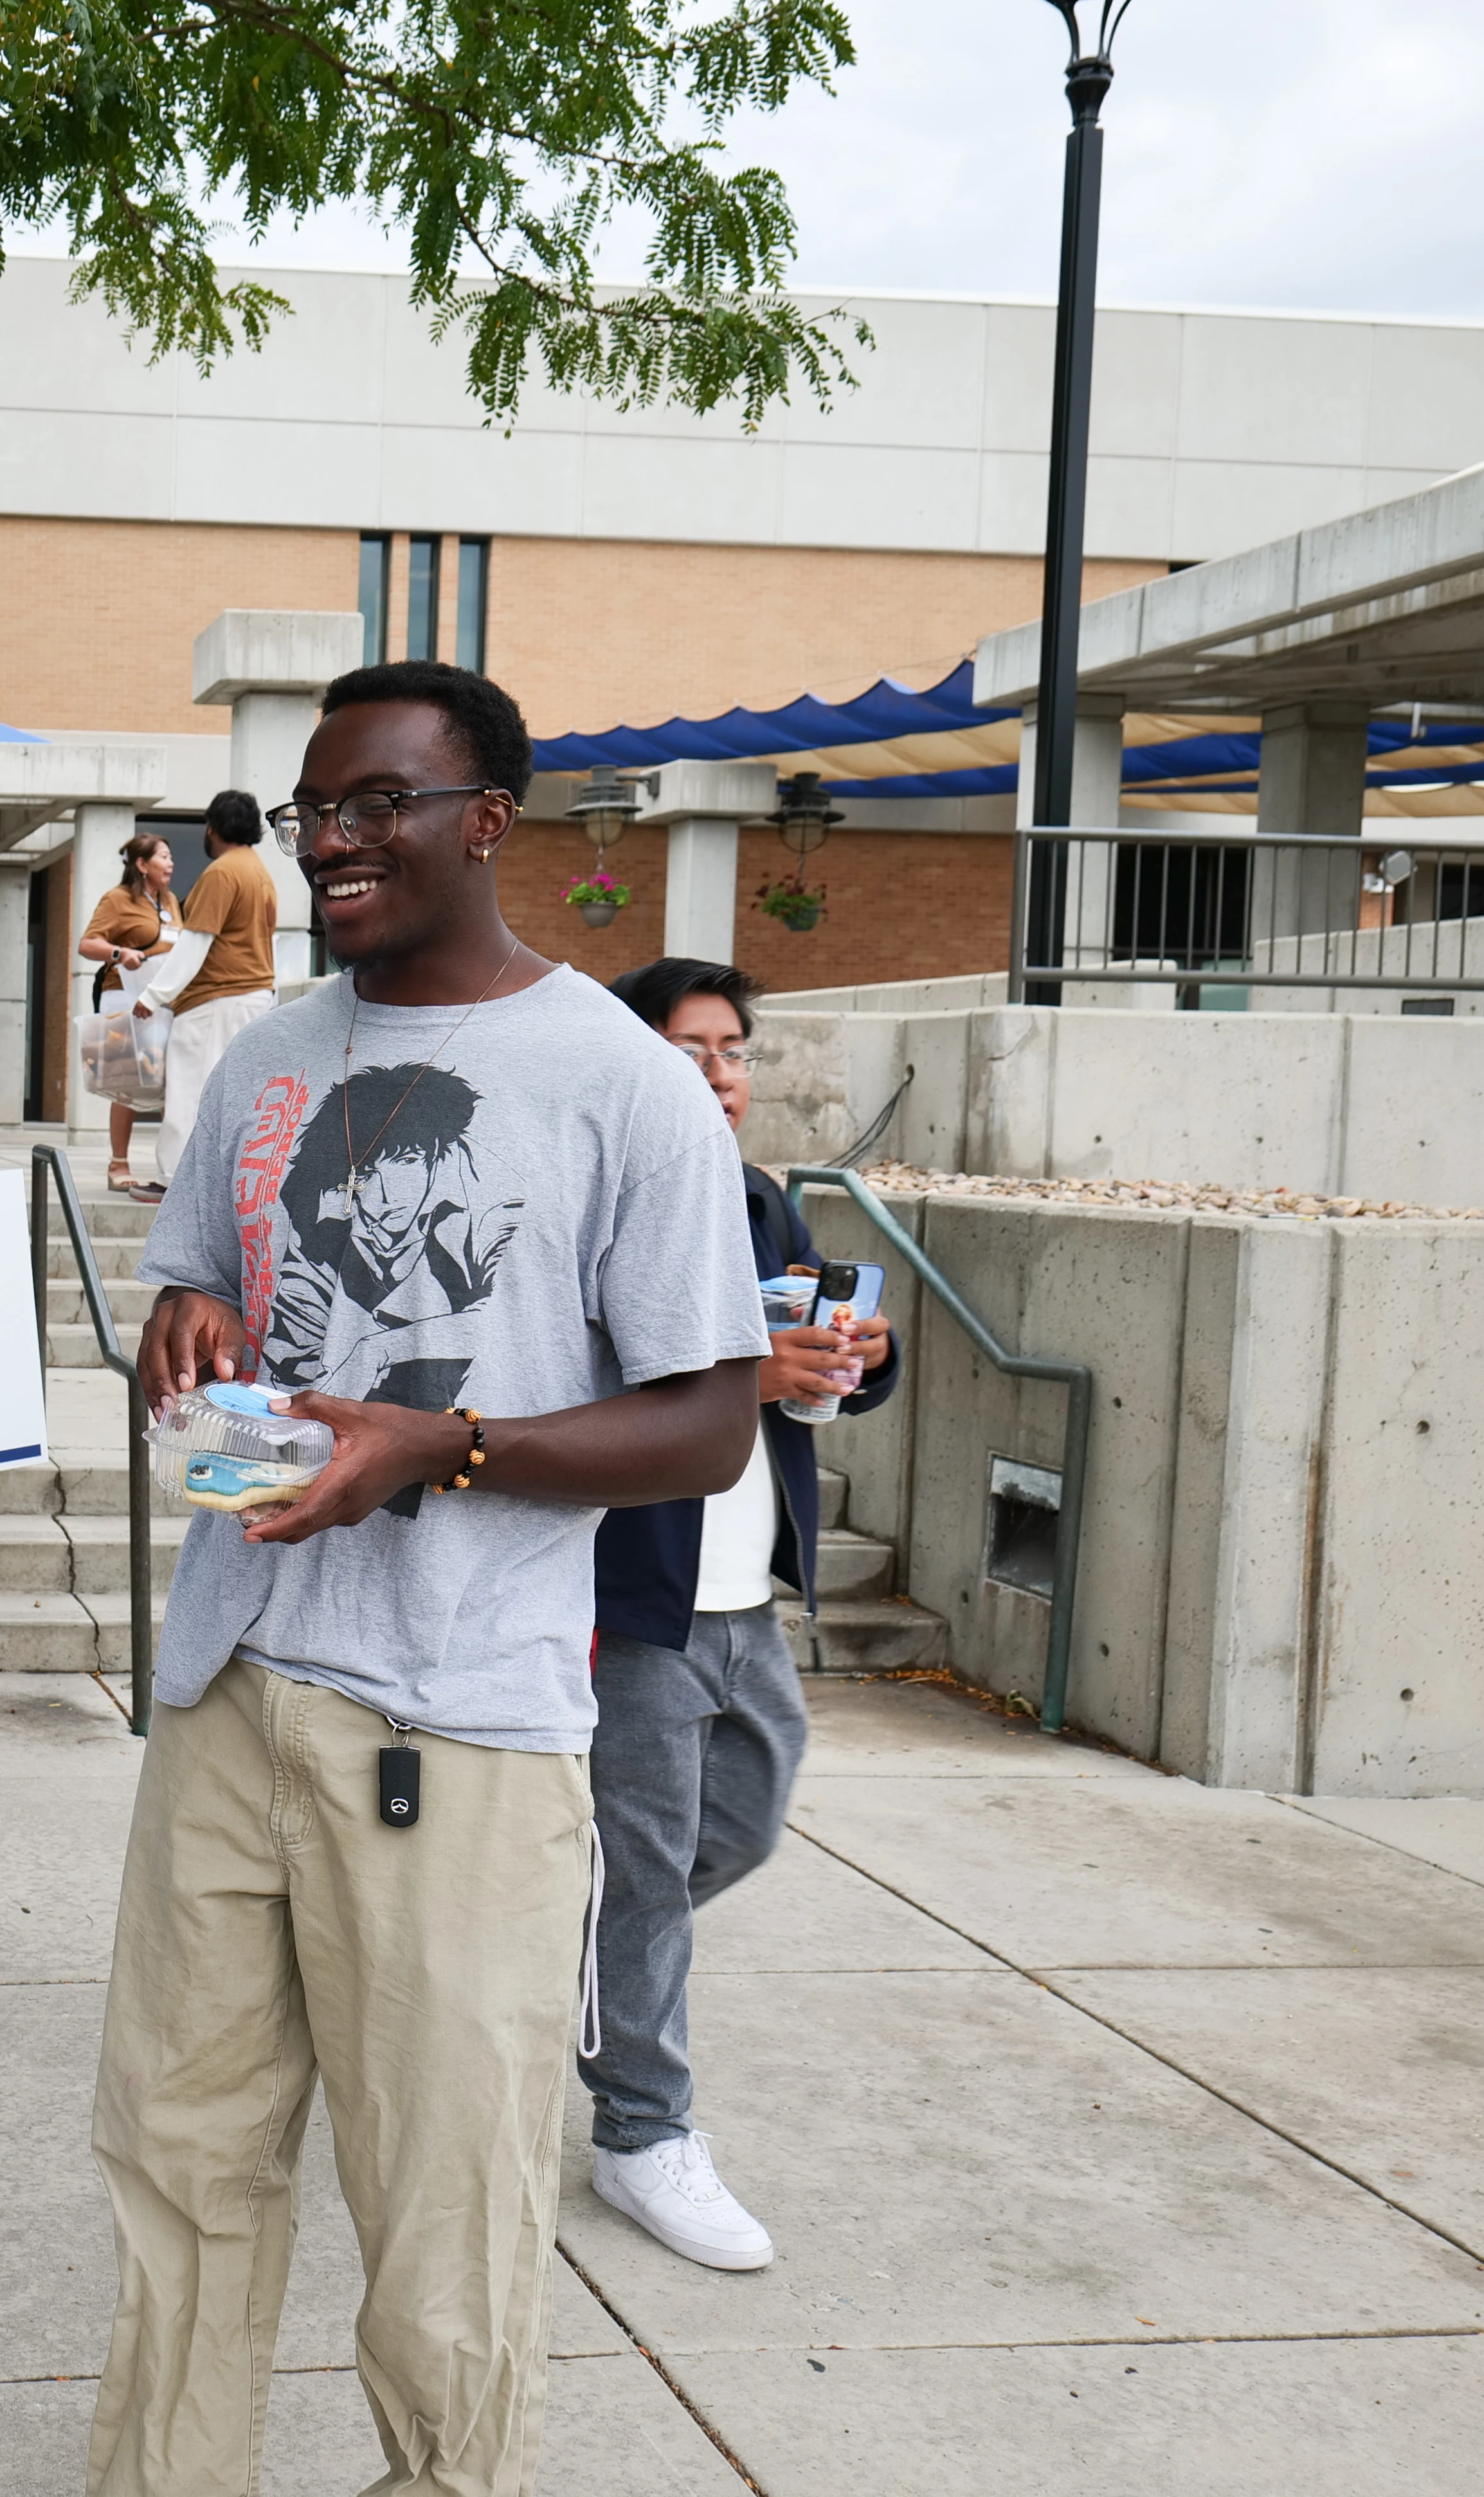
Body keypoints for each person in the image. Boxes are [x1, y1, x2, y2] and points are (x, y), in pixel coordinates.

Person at [93, 662, 765, 2497]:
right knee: (179, 2163)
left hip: (459, 1727)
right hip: (231, 1683)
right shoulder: (265, 1056)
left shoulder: (623, 1087)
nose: (335, 839)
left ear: (490, 818)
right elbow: (192, 1290)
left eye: (379, 802)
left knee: (445, 2223)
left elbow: (709, 1422)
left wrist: (443, 1448)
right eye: (318, 806)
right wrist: (188, 1316)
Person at [579, 957, 896, 2273]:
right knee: (648, 1870)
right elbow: (586, 1385)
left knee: (746, 1818)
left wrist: (843, 1366)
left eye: (733, 1048)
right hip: (637, 1595)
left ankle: (567, 1947)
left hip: (742, 1591)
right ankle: (643, 2128)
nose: (719, 1073)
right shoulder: (596, 1202)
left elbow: (813, 1365)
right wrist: (742, 1372)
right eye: (689, 1048)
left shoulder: (762, 1200)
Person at [154, 789, 277, 1185]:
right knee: (237, 1100)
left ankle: (174, 1182)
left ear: (213, 827)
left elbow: (195, 943)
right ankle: (225, 1185)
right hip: (255, 996)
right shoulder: (259, 871)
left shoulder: (223, 872)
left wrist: (152, 996)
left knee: (189, 1092)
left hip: (216, 998)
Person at [78, 832, 180, 1199]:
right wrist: (120, 953)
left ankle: (171, 1166)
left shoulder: (169, 901)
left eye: (171, 858)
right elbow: (88, 944)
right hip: (123, 996)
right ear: (142, 864)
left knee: (168, 1078)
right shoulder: (118, 899)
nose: (171, 864)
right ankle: (118, 1163)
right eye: (164, 857)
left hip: (160, 1000)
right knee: (129, 1078)